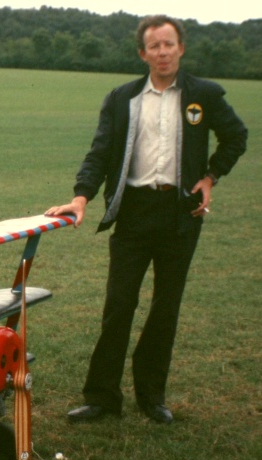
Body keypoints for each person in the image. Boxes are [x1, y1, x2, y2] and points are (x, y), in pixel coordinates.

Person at [45, 15, 247, 424]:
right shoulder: (122, 99)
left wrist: (210, 177)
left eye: (169, 44)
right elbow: (99, 153)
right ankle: (101, 397)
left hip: (181, 215)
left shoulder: (203, 95)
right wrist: (81, 198)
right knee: (119, 306)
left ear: (181, 48)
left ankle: (151, 396)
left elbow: (236, 136)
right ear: (143, 53)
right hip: (134, 215)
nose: (163, 52)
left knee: (165, 308)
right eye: (154, 46)